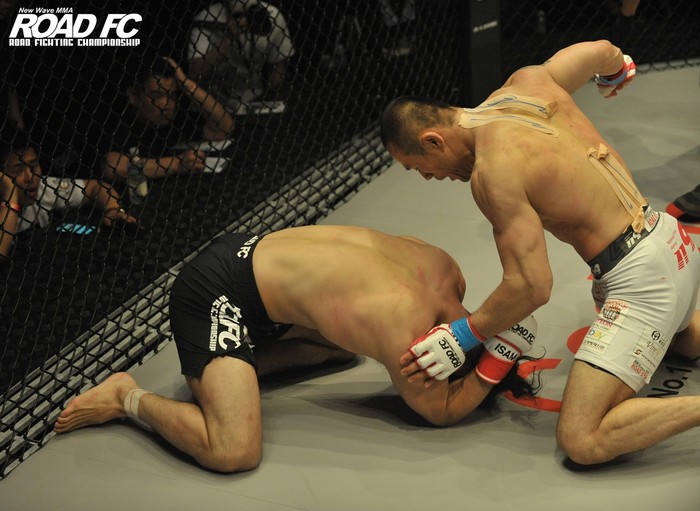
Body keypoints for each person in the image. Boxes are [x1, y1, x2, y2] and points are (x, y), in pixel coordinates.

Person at [380, 39, 700, 466]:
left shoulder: (493, 172)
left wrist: (461, 334)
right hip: (672, 242)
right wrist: (616, 69)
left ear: (434, 141)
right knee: (680, 340)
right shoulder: (528, 81)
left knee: (581, 438)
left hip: (642, 281)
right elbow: (604, 50)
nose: (428, 178)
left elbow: (531, 287)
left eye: (418, 167)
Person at [54, 225, 538, 473]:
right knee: (234, 450)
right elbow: (443, 411)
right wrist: (495, 367)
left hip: (254, 261)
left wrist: (499, 336)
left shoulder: (447, 270)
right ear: (447, 361)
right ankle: (125, 396)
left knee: (342, 351)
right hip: (215, 292)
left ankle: (228, 374)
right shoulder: (406, 336)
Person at [1, 129, 136, 263]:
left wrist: (113, 209)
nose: (30, 177)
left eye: (33, 166)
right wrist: (9, 194)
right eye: (18, 170)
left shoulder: (43, 188)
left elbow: (96, 187)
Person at [101, 54, 235, 186]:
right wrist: (176, 164)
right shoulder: (122, 123)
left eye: (171, 95)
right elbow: (113, 168)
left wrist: (188, 85)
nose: (166, 104)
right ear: (134, 96)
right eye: (156, 95)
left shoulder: (173, 119)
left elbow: (224, 127)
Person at [187, 0, 295, 116]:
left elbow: (278, 67)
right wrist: (228, 39)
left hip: (258, 95)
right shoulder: (206, 19)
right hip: (218, 100)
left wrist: (271, 98)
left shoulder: (271, 15)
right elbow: (195, 72)